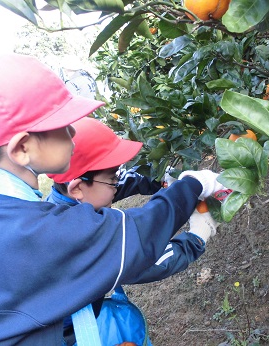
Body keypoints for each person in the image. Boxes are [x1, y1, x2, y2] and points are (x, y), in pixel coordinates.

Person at [0, 52, 224, 345]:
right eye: (62, 125)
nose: (73, 134)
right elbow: (138, 234)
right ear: (22, 147)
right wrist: (194, 184)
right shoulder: (39, 231)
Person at [46, 117, 221, 345]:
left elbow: (112, 186)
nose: (116, 184)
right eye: (112, 179)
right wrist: (197, 236)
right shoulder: (77, 240)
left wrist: (158, 180)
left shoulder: (62, 202)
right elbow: (146, 258)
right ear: (77, 187)